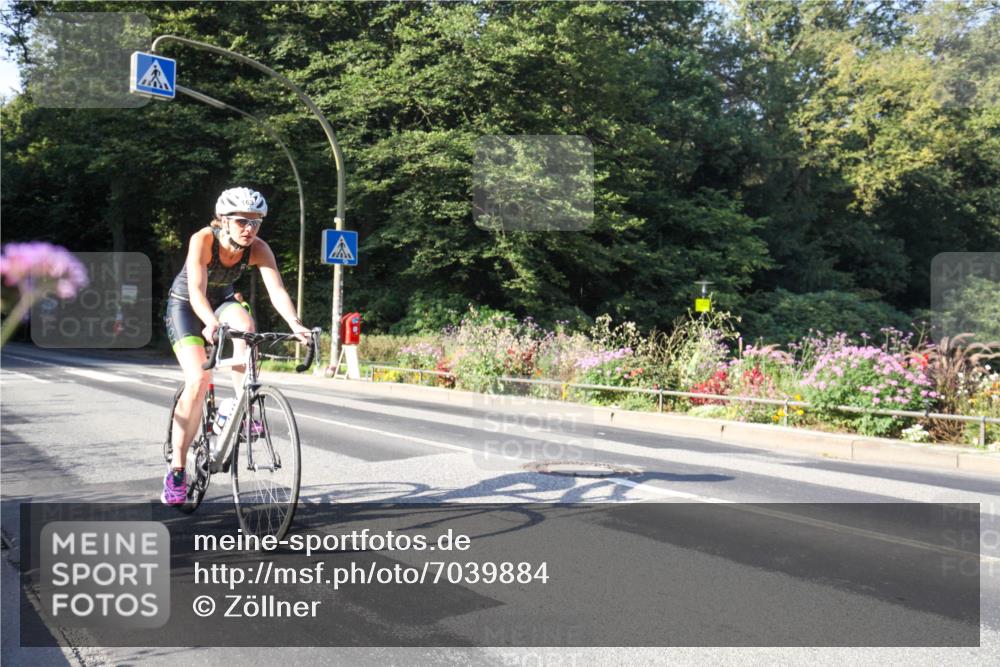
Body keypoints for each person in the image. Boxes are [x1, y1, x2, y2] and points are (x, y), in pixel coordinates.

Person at [162, 187, 311, 505]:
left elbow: (277, 291)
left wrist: (296, 324)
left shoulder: (258, 248)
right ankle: (177, 469)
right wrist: (209, 323)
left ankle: (241, 405)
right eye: (242, 221)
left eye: (256, 222)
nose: (250, 229)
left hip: (223, 303)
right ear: (223, 220)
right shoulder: (203, 239)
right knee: (199, 379)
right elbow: (197, 291)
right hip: (187, 307)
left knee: (248, 328)